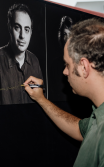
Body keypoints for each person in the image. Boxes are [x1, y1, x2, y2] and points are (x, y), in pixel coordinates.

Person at [24, 18, 104, 167]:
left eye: (67, 64)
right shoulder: (98, 117)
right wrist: (41, 99)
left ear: (84, 68)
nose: (65, 71)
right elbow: (79, 129)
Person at [0, 3, 43, 105]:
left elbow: (41, 102)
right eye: (17, 27)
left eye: (26, 29)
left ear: (30, 33)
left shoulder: (34, 61)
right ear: (9, 28)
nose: (22, 35)